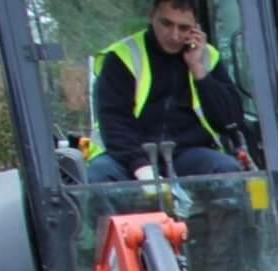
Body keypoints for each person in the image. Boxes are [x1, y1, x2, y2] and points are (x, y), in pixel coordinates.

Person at [83, 0, 246, 183]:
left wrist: (198, 69)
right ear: (152, 16)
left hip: (187, 152)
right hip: (127, 153)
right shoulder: (122, 57)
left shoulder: (208, 57)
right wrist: (141, 167)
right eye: (166, 24)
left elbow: (231, 120)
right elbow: (114, 120)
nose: (174, 35)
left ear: (196, 28)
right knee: (100, 175)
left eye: (184, 28)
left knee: (226, 169)